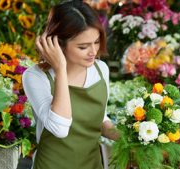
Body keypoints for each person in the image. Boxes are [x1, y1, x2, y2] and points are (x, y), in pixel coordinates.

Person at [22, 0, 118, 169]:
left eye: (96, 42)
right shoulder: (36, 76)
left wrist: (136, 139)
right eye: (83, 47)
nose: (93, 52)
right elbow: (60, 128)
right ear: (58, 44)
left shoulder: (101, 69)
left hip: (92, 164)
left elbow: (100, 119)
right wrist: (60, 69)